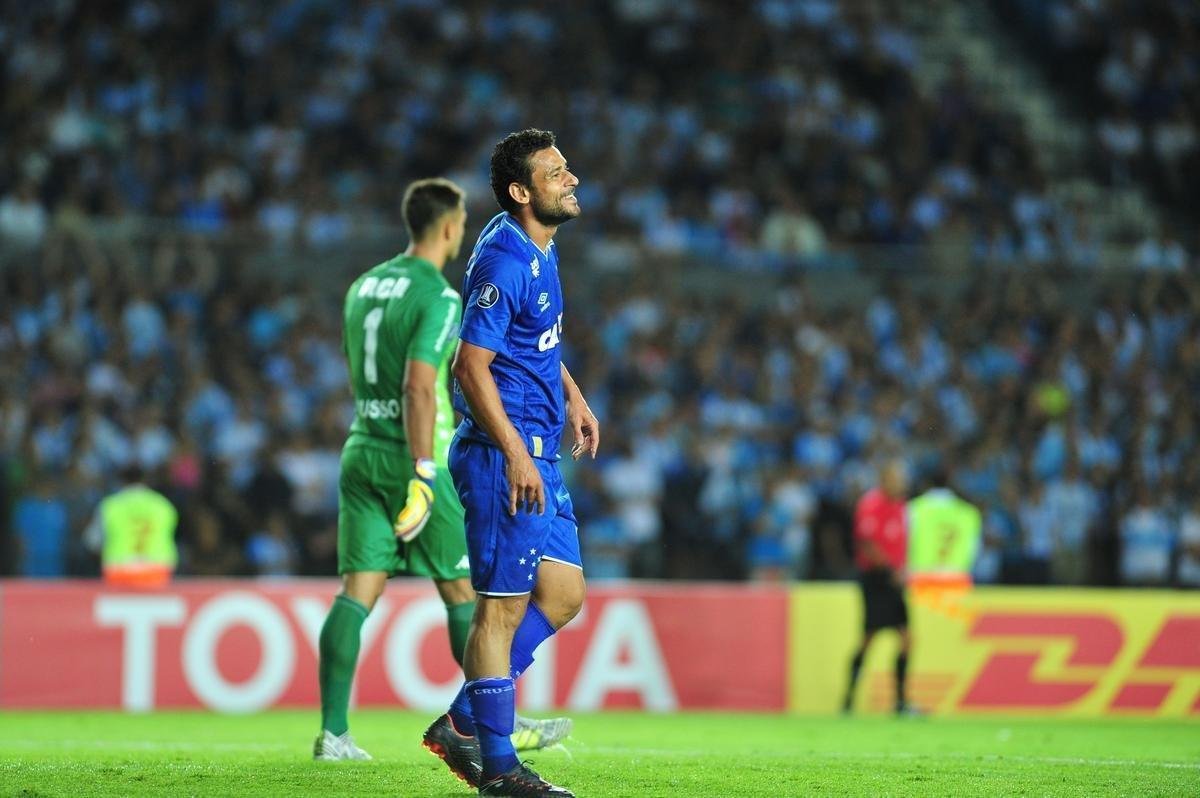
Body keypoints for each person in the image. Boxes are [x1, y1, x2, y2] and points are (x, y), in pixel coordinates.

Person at [313, 178, 572, 763]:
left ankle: (334, 734)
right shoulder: (438, 294)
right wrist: (424, 469)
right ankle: (484, 718)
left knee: (355, 593)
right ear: (452, 227)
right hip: (415, 454)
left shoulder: (363, 286)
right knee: (471, 593)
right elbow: (422, 382)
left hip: (361, 446)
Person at [422, 129, 598, 797]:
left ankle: (464, 720)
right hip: (505, 459)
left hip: (537, 452)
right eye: (556, 174)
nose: (572, 178)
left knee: (564, 594)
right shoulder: (503, 261)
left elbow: (537, 345)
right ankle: (499, 769)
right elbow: (470, 367)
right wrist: (518, 453)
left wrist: (573, 395)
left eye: (566, 167)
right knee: (500, 611)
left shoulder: (536, 245)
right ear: (523, 192)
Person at [843, 459, 912, 714]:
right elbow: (867, 543)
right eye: (897, 479)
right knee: (868, 639)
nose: (902, 483)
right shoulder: (871, 504)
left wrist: (903, 569)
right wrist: (891, 569)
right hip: (876, 579)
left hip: (895, 580)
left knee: (907, 639)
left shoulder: (901, 507)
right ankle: (848, 699)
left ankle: (901, 702)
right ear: (884, 480)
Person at [83, 465, 178, 587]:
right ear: (145, 480)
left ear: (122, 481)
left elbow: (92, 542)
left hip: (119, 572)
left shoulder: (110, 506)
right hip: (157, 572)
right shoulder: (163, 506)